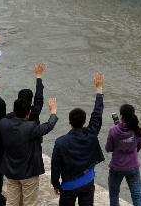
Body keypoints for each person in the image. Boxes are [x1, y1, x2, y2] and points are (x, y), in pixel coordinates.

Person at [50, 72, 105, 205]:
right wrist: (99, 90)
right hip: (87, 181)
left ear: (70, 121)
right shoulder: (90, 135)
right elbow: (97, 114)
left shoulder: (60, 142)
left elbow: (55, 166)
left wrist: (56, 184)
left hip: (68, 186)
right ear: (84, 121)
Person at [0, 95, 58, 206]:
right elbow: (48, 126)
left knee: (12, 203)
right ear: (28, 114)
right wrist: (53, 112)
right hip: (28, 173)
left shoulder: (3, 123)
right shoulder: (31, 127)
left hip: (10, 172)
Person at [105, 104, 141, 206]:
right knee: (137, 195)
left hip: (116, 167)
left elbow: (108, 148)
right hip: (133, 167)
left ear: (121, 115)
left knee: (114, 194)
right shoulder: (137, 130)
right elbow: (139, 146)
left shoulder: (114, 130)